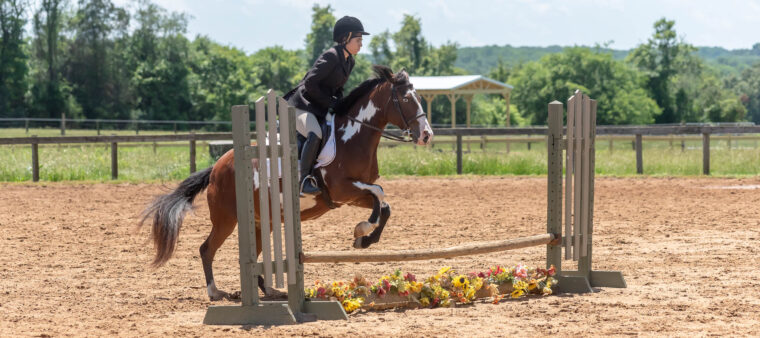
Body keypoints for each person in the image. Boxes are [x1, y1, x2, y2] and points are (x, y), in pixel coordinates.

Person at [284, 16, 369, 195]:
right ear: (346, 38)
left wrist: (342, 104)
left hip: (318, 108)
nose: (361, 44)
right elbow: (310, 84)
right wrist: (331, 103)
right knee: (315, 134)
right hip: (300, 106)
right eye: (358, 39)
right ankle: (304, 180)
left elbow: (337, 88)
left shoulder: (349, 61)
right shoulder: (331, 56)